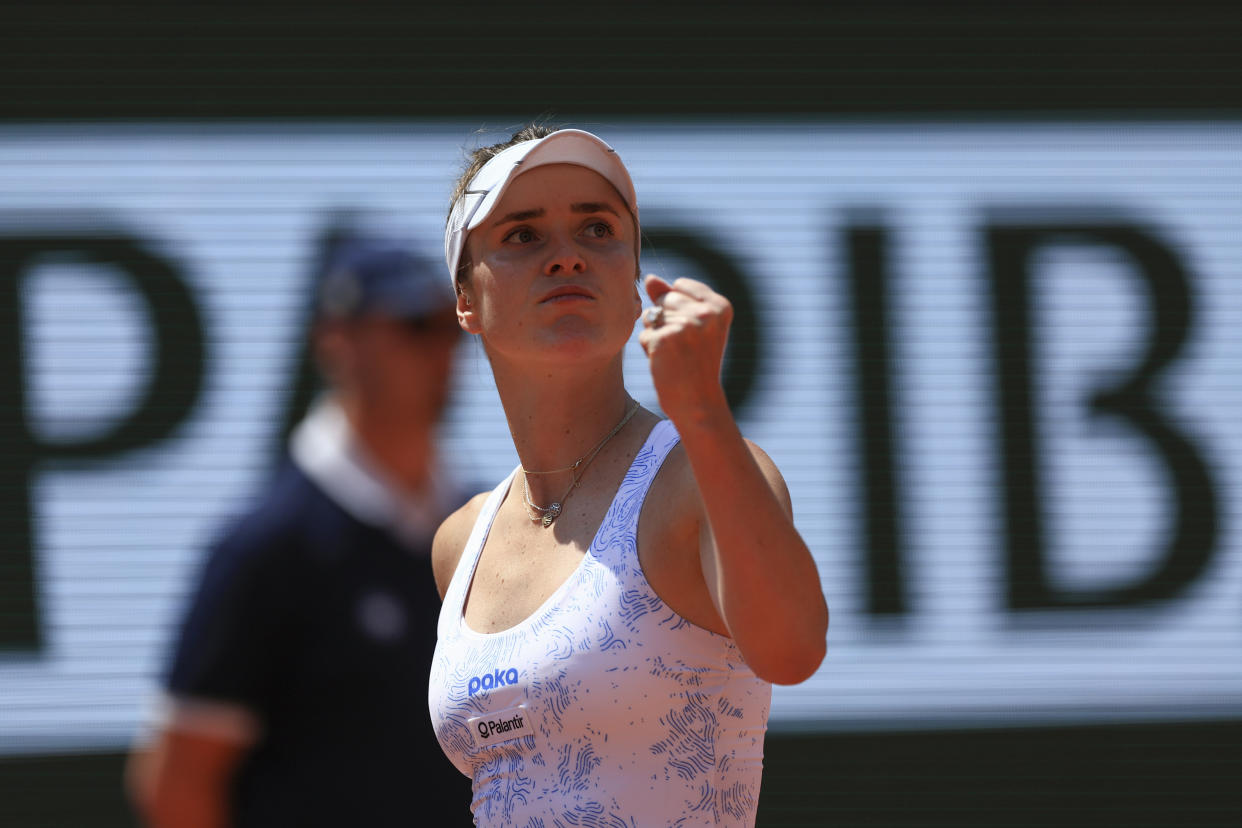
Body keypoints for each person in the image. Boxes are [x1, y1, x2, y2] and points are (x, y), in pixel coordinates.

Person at [428, 126, 829, 826]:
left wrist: (702, 409)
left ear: (632, 277)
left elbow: (792, 651)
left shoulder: (700, 473)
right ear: (466, 299)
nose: (567, 258)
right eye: (524, 236)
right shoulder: (459, 541)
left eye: (596, 229)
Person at [127, 236, 475, 827]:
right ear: (336, 342)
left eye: (451, 327)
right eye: (415, 325)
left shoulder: (483, 524)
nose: (442, 350)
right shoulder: (266, 548)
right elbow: (177, 782)